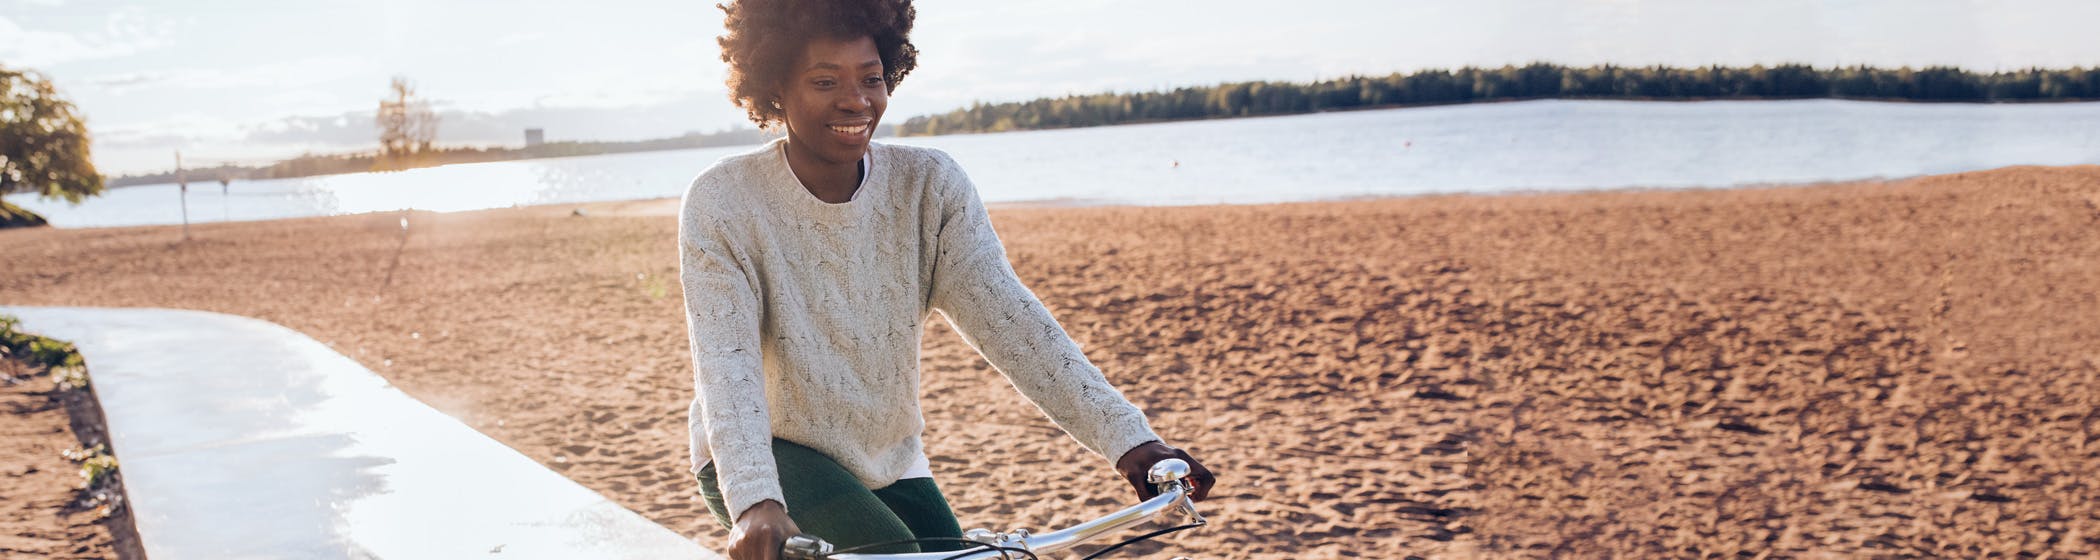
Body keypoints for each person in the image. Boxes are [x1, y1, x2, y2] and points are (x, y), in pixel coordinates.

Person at [679, 1, 1216, 559]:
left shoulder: (929, 187)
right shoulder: (723, 202)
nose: (856, 101)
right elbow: (726, 365)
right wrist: (754, 501)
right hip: (765, 450)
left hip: (886, 452)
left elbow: (1015, 325)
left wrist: (1131, 440)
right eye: (824, 81)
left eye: (872, 78)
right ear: (774, 87)